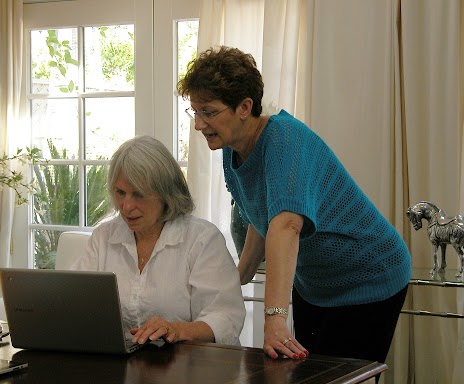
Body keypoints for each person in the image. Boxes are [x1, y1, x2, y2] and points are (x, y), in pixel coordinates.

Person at [177, 46, 411, 364]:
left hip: (368, 273)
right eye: (195, 112)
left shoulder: (285, 140)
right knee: (302, 371)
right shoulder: (233, 152)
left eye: (209, 112)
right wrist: (235, 278)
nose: (199, 124)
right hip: (316, 283)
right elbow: (262, 220)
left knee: (336, 376)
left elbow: (285, 226)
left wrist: (274, 319)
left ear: (244, 107)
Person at [70, 135, 246, 346]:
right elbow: (74, 301)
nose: (126, 206)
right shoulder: (103, 236)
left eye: (138, 194)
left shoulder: (202, 239)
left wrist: (178, 329)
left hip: (188, 368)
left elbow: (226, 318)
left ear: (166, 193)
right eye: (120, 193)